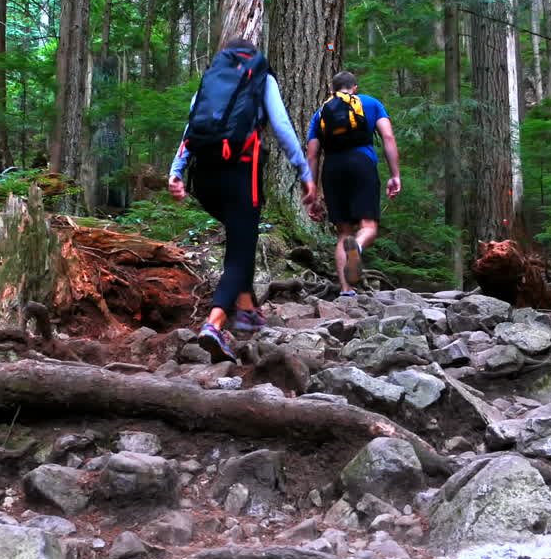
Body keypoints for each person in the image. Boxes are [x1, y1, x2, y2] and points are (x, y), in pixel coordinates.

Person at [168, 38, 317, 363]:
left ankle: (247, 309)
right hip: (240, 171)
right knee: (241, 250)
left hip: (203, 178)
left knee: (241, 236)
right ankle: (214, 324)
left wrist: (175, 171)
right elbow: (281, 125)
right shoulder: (261, 76)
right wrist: (304, 171)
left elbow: (190, 126)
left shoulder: (212, 80)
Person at [305, 71, 400, 296]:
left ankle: (346, 290)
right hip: (361, 164)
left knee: (343, 233)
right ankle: (356, 248)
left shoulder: (321, 113)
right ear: (355, 88)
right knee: (368, 226)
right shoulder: (371, 103)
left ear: (332, 90)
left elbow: (312, 155)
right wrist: (395, 174)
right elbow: (388, 137)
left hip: (333, 168)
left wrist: (312, 191)